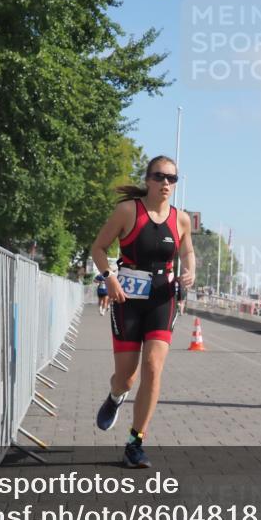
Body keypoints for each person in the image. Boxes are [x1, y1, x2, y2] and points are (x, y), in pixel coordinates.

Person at [90, 156, 195, 467]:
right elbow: (98, 248)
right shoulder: (128, 211)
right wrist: (109, 278)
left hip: (163, 298)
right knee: (126, 378)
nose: (166, 183)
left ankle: (135, 442)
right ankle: (115, 396)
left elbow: (187, 250)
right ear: (148, 179)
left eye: (172, 179)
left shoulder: (181, 219)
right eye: (160, 176)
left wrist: (189, 270)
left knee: (153, 367)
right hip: (128, 298)